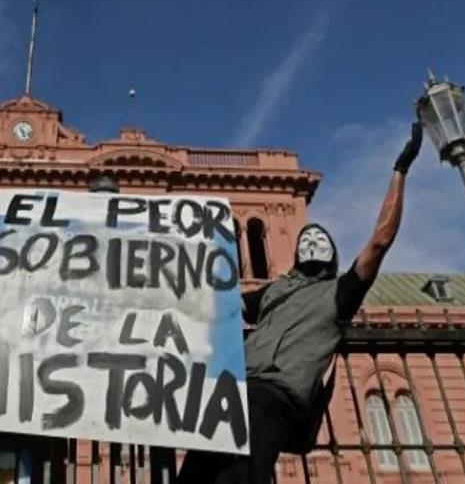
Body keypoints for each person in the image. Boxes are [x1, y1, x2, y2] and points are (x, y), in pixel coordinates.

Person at [177, 122, 422, 484]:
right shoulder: (275, 292)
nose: (311, 238)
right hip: (235, 391)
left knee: (241, 472)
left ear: (334, 256)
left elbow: (380, 241)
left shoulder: (341, 292)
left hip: (275, 395)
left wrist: (400, 171)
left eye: (319, 236)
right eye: (306, 236)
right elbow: (216, 304)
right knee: (195, 472)